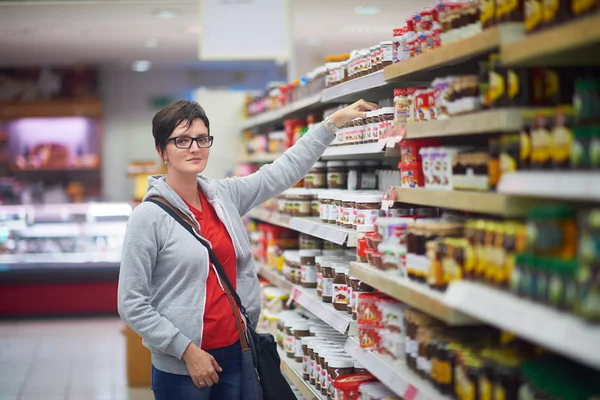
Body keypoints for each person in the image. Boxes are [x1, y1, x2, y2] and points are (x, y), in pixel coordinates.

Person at [117, 99, 379, 400]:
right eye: (182, 140)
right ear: (162, 150)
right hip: (183, 368)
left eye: (202, 139)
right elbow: (131, 303)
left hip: (237, 353)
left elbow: (281, 171)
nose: (194, 148)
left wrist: (331, 124)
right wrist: (187, 351)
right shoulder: (148, 217)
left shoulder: (223, 196)